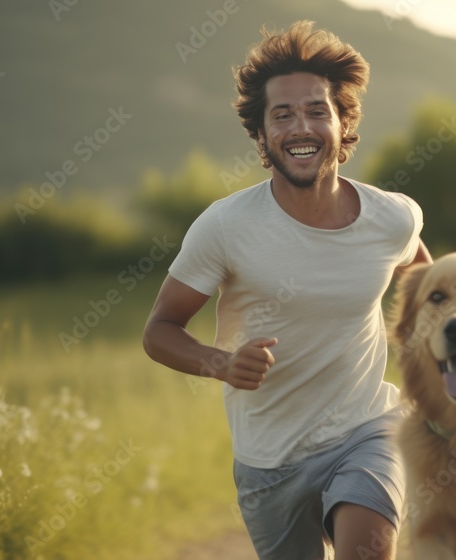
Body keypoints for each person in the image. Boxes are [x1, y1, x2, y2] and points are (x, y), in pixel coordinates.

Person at [143, 20, 430, 560]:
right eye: (283, 115)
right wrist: (220, 364)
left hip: (367, 430)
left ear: (343, 124)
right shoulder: (225, 226)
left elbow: (427, 288)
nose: (301, 126)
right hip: (269, 456)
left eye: (317, 111)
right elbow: (159, 331)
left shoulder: (391, 218)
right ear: (260, 134)